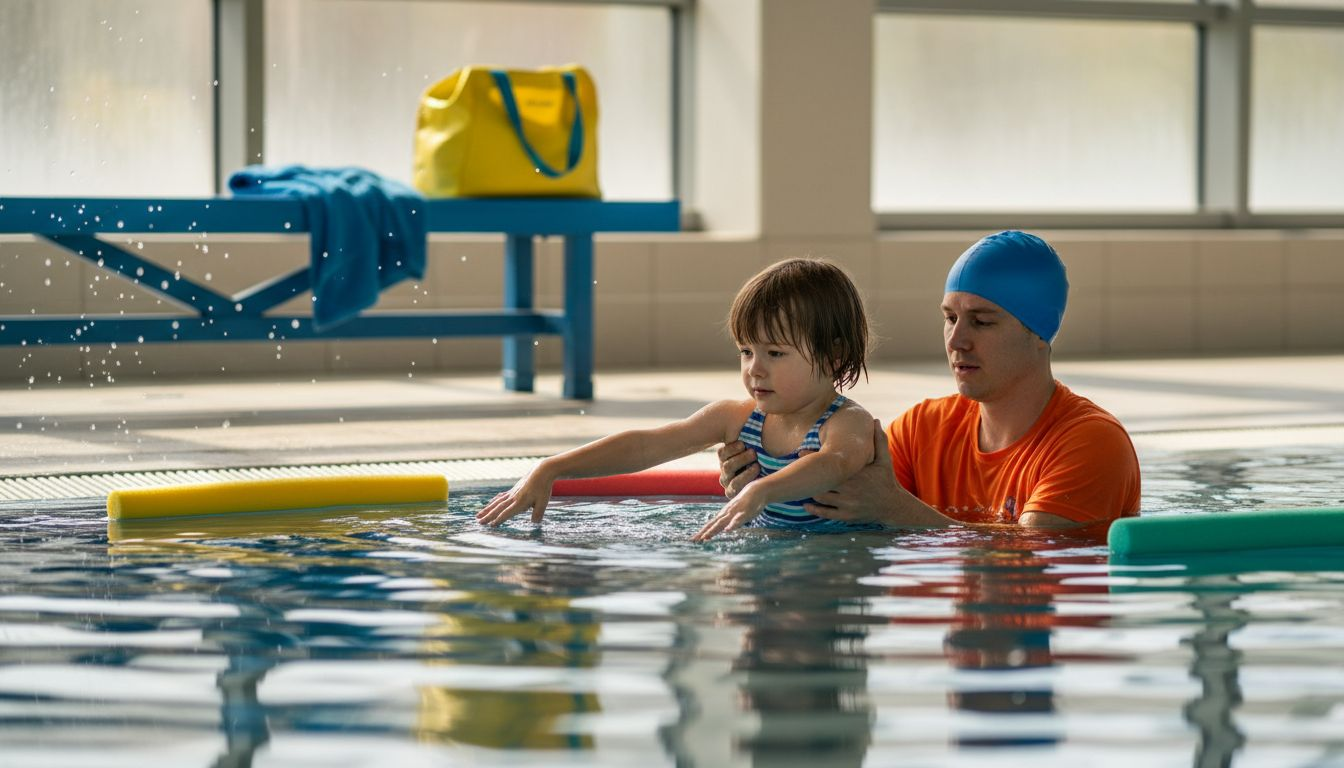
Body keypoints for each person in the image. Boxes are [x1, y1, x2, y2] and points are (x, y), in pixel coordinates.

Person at [719, 230, 1140, 531]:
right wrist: (764, 474)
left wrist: (900, 511)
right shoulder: (926, 428)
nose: (956, 340)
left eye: (982, 321)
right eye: (950, 318)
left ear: (1038, 332)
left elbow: (1028, 563)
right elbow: (834, 501)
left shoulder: (1089, 443)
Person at [477, 258, 881, 542]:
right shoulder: (739, 417)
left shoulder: (844, 423)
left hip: (836, 561)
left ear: (833, 356)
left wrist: (761, 490)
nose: (755, 369)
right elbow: (649, 444)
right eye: (745, 351)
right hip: (773, 554)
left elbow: (833, 465)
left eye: (775, 353)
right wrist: (553, 468)